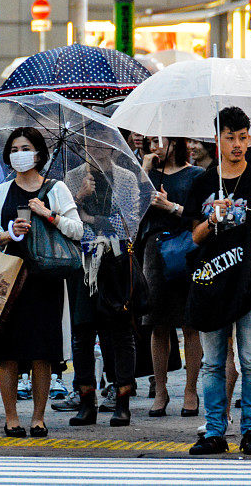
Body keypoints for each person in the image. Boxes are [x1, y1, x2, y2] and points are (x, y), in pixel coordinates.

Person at [184, 106, 251, 455]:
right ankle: (214, 431)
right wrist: (212, 220)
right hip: (212, 281)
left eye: (243, 137)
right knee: (212, 361)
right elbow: (193, 237)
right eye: (230, 138)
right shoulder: (204, 182)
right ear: (217, 140)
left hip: (249, 286)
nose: (237, 145)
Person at [0, 126, 83, 438]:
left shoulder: (57, 188)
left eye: (25, 148)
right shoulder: (0, 192)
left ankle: (39, 418)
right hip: (9, 279)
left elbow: (77, 230)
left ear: (39, 154)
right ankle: (11, 417)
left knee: (43, 351)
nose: (19, 155)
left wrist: (47, 213)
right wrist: (10, 232)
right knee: (8, 352)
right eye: (14, 149)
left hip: (45, 279)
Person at [64, 141, 142, 428]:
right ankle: (86, 400)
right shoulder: (72, 177)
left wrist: (91, 218)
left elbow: (129, 224)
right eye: (90, 145)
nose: (96, 150)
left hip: (116, 261)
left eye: (102, 145)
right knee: (82, 331)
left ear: (113, 148)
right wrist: (78, 197)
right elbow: (67, 222)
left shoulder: (126, 177)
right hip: (82, 263)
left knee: (121, 330)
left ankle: (122, 400)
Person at [139, 137, 204, 418]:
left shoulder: (197, 175)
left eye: (160, 140)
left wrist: (171, 207)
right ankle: (161, 390)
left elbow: (202, 215)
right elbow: (132, 210)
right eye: (151, 140)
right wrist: (143, 169)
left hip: (188, 248)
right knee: (158, 324)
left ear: (175, 141)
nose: (155, 146)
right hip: (154, 250)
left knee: (191, 323)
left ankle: (191, 390)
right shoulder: (149, 174)